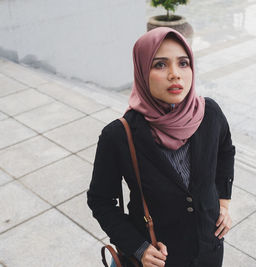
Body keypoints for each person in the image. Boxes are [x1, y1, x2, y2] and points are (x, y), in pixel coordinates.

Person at [87, 27, 235, 267]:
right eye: (160, 65)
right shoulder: (118, 136)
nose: (175, 74)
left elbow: (226, 151)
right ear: (142, 71)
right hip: (159, 259)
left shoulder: (210, 114)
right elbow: (100, 200)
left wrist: (224, 202)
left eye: (183, 63)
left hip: (208, 251)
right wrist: (137, 247)